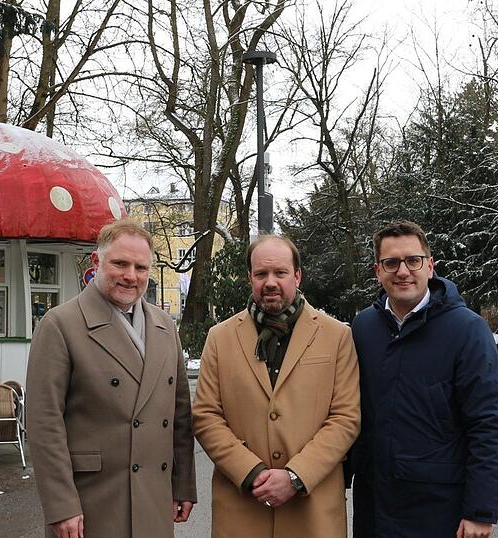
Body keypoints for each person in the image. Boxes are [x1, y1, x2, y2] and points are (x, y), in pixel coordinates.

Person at [26, 219, 197, 538]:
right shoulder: (61, 324)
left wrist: (183, 484)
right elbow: (44, 423)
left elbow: (180, 416)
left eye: (141, 267)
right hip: (92, 503)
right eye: (120, 263)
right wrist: (62, 505)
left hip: (153, 499)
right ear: (97, 262)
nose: (130, 276)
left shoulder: (164, 326)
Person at [350, 220, 498, 538]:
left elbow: (488, 426)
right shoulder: (363, 328)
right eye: (391, 262)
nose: (403, 271)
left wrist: (480, 511)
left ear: (430, 265)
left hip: (438, 509)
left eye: (413, 260)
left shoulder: (467, 330)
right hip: (374, 505)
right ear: (377, 270)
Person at [192, 235, 361, 538]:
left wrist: (296, 476)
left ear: (297, 275)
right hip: (242, 508)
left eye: (280, 273)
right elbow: (206, 416)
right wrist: (251, 472)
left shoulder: (336, 337)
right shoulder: (220, 338)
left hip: (312, 510)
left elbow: (346, 418)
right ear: (249, 278)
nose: (270, 282)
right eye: (261, 274)